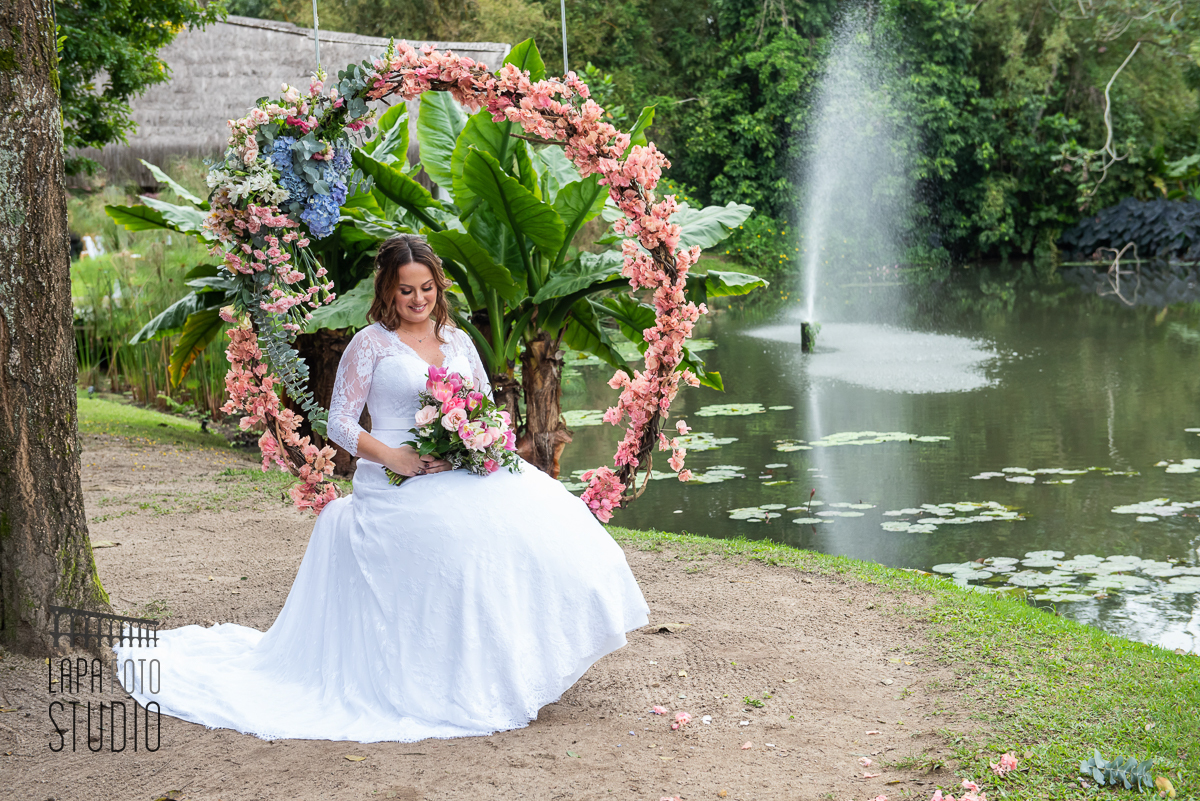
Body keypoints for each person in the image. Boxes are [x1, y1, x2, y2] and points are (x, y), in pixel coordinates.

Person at [114, 234, 649, 742]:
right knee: (461, 541)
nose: (418, 299)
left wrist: (475, 445)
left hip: (460, 466)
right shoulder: (369, 345)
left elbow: (488, 411)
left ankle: (526, 660)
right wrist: (395, 455)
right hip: (392, 478)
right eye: (405, 289)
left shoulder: (458, 341)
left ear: (439, 287)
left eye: (427, 288)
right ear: (387, 291)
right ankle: (460, 676)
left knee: (545, 519)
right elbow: (340, 423)